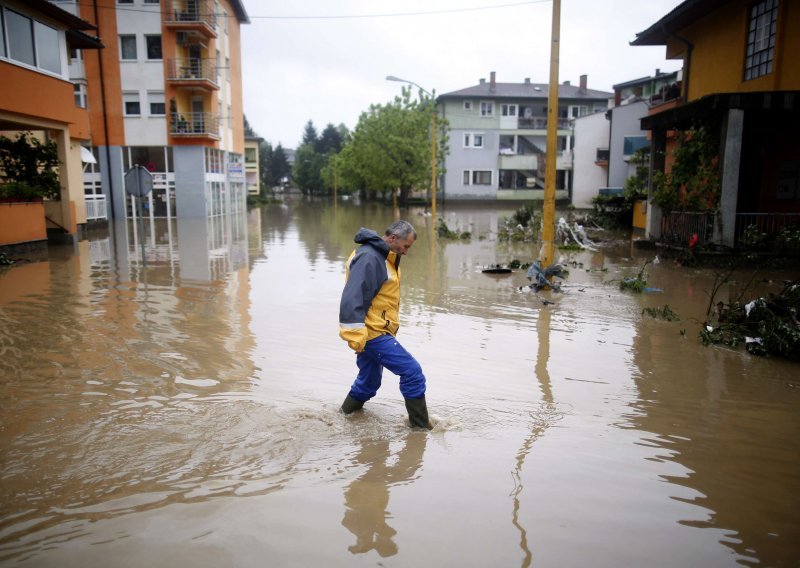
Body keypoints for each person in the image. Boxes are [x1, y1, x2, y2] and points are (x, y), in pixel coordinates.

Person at [338, 220, 431, 429]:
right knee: (412, 373)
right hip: (372, 333)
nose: (406, 252)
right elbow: (352, 298)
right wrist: (356, 337)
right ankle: (421, 430)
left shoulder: (384, 258)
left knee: (369, 381)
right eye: (405, 246)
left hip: (374, 330)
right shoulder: (371, 258)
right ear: (393, 238)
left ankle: (342, 419)